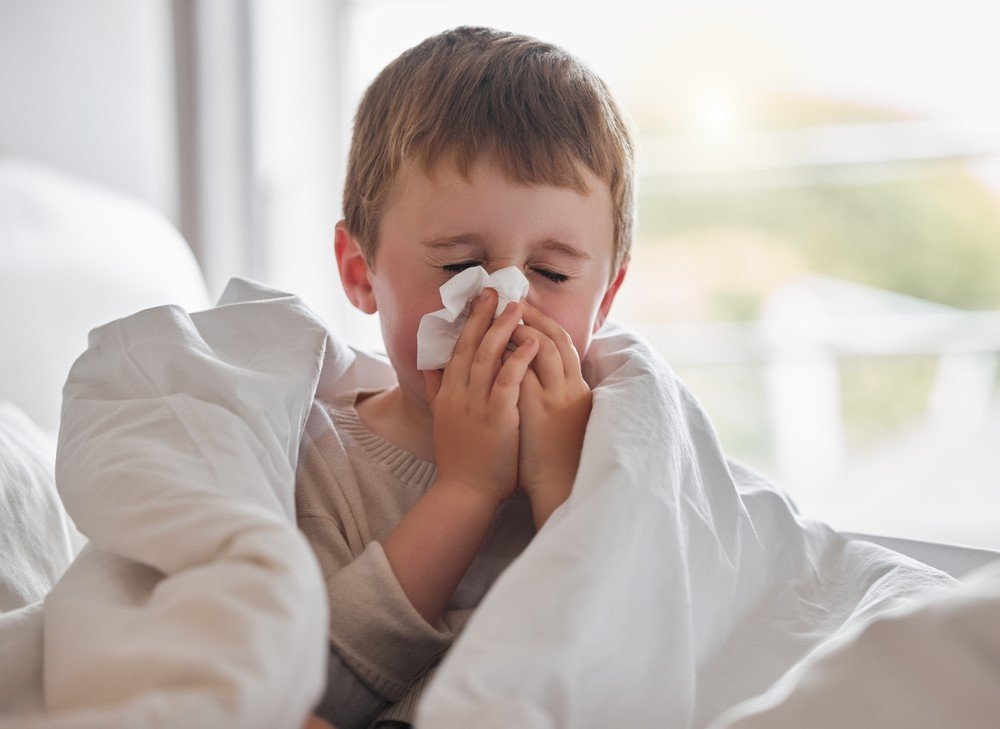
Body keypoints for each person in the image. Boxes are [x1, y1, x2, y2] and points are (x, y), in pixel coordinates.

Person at [295, 25, 635, 728]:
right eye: (456, 265)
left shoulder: (625, 446)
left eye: (553, 272)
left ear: (604, 299)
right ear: (361, 272)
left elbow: (654, 660)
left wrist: (569, 491)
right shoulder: (322, 468)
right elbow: (310, 697)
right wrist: (466, 490)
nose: (504, 302)